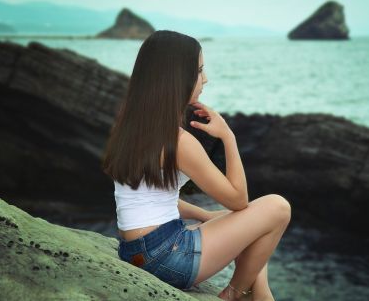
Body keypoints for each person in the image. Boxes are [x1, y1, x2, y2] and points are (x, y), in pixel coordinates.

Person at [101, 30, 291, 301]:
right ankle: (234, 294)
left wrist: (204, 215)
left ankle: (256, 295)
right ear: (177, 77)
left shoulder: (131, 127)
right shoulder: (179, 142)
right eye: (199, 70)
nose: (205, 79)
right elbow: (239, 199)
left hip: (135, 251)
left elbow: (149, 198)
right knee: (277, 207)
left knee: (251, 233)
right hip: (166, 257)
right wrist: (228, 137)